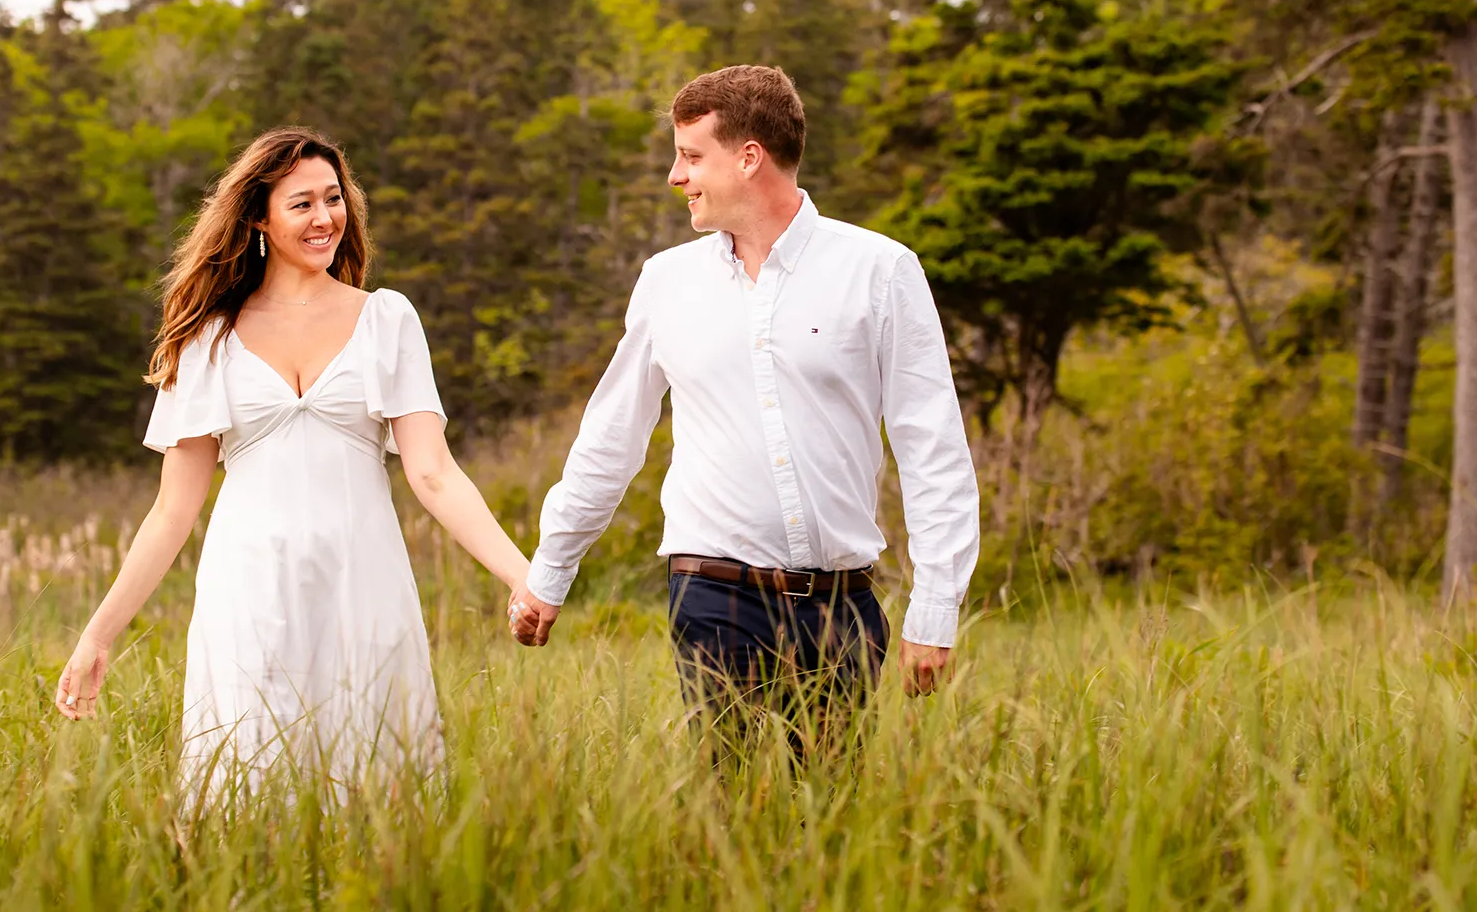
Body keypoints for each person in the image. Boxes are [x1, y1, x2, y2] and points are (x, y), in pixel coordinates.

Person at [507, 65, 981, 748]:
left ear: (750, 156)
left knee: (828, 820)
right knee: (734, 817)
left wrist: (934, 611)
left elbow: (932, 446)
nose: (676, 176)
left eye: (692, 156)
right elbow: (612, 436)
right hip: (712, 593)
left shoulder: (880, 270)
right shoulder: (667, 282)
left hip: (843, 608)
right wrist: (550, 572)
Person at [55, 127, 531, 800]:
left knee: (375, 776)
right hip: (247, 588)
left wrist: (526, 578)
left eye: (333, 199)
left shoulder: (386, 320)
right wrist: (98, 635)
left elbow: (434, 474)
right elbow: (172, 510)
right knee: (249, 781)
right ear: (259, 217)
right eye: (301, 203)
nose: (324, 218)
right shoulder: (209, 337)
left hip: (363, 584)